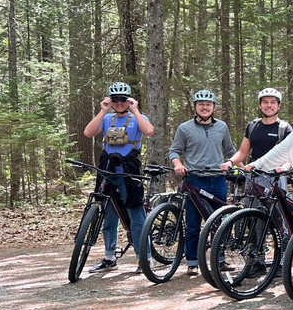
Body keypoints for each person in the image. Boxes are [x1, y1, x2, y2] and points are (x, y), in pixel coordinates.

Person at [81, 81, 155, 273]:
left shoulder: (137, 117)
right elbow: (88, 133)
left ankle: (144, 258)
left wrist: (135, 110)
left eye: (123, 99)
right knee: (109, 216)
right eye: (115, 99)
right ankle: (109, 257)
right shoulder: (107, 118)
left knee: (136, 215)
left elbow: (149, 131)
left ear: (128, 100)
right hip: (108, 172)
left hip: (129, 172)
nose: (119, 103)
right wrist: (103, 110)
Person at [168, 89, 237, 275]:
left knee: (219, 222)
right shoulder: (184, 128)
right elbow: (174, 150)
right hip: (195, 179)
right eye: (201, 104)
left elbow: (231, 150)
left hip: (218, 179)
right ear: (195, 107)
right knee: (193, 223)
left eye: (208, 104)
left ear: (214, 107)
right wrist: (178, 165)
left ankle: (219, 260)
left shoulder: (222, 126)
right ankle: (192, 262)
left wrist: (239, 166)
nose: (204, 107)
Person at [222, 87, 293, 168]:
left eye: (273, 102)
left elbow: (291, 156)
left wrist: (284, 168)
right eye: (265, 102)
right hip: (254, 171)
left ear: (279, 106)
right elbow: (242, 152)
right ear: (260, 105)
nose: (269, 105)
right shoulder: (252, 126)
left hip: (276, 172)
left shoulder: (284, 129)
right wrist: (230, 162)